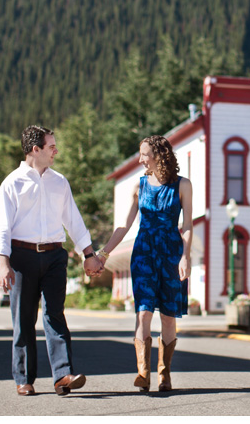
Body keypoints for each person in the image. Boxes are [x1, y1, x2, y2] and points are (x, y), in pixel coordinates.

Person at [0, 125, 105, 396]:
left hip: (54, 256)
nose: (56, 150)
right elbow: (2, 227)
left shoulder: (59, 182)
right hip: (21, 257)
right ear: (35, 149)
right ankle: (24, 379)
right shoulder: (12, 183)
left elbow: (73, 220)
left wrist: (88, 255)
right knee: (24, 319)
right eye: (51, 146)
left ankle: (63, 376)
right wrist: (3, 263)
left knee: (55, 315)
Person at [97, 135, 192, 392]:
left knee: (170, 317)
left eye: (144, 154)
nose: (140, 159)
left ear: (159, 155)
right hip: (144, 253)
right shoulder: (139, 187)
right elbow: (124, 226)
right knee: (143, 312)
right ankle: (143, 373)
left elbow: (188, 226)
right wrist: (103, 254)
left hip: (171, 254)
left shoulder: (183, 185)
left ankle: (165, 374)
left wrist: (185, 256)